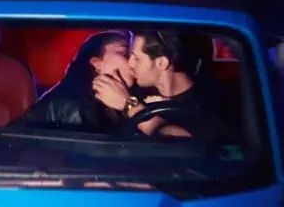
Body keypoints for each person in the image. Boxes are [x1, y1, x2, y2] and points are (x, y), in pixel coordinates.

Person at [93, 30, 238, 142]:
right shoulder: (141, 93)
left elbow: (191, 145)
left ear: (162, 63)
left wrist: (128, 105)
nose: (130, 64)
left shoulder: (210, 101)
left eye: (137, 58)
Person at [10, 30, 136, 132]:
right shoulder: (77, 105)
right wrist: (128, 104)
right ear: (97, 63)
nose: (132, 62)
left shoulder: (112, 99)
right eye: (125, 54)